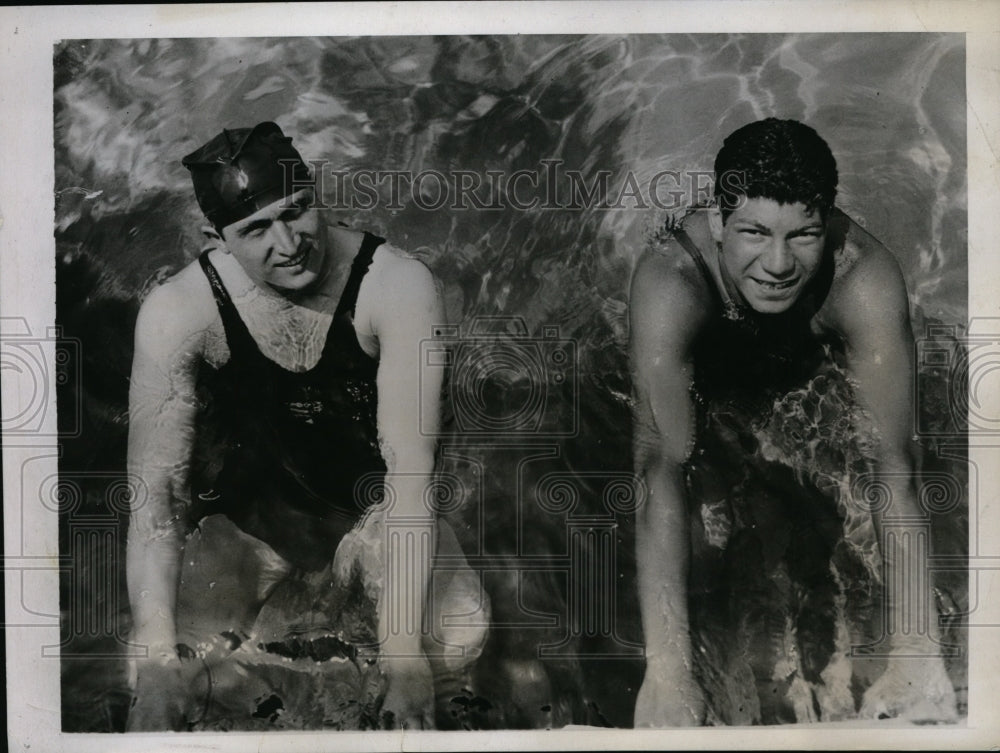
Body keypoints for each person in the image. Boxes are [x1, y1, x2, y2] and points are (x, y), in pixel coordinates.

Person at [125, 122, 486, 731]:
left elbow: (408, 472)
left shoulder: (394, 285)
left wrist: (403, 657)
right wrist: (157, 660)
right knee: (173, 672)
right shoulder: (178, 312)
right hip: (251, 522)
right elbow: (156, 496)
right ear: (216, 237)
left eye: (296, 212)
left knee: (458, 642)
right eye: (257, 230)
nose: (289, 242)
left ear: (315, 194)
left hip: (373, 510)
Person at [629, 118, 959, 726]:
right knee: (705, 497)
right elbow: (658, 465)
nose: (778, 263)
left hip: (809, 357)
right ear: (719, 221)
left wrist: (916, 649)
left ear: (828, 226)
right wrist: (667, 672)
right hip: (712, 358)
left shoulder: (863, 277)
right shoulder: (671, 281)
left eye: (803, 235)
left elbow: (896, 464)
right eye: (754, 232)